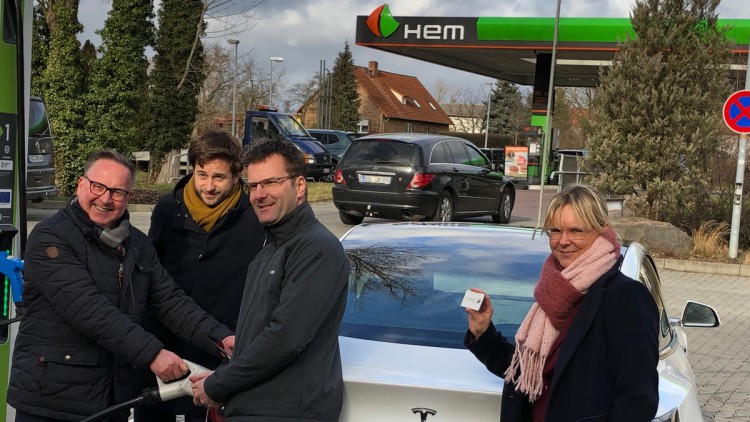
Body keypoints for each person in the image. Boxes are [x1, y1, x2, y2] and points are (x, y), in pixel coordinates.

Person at [8, 150, 235, 422]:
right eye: (98, 186)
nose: (105, 199)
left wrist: (222, 338)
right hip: (51, 401)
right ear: (81, 184)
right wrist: (153, 354)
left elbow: (170, 301)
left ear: (128, 197)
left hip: (111, 400)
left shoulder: (137, 245)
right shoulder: (50, 237)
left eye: (117, 192)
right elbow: (89, 310)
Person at [464, 184, 659, 422]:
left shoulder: (626, 297)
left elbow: (637, 400)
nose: (563, 241)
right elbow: (526, 372)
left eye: (576, 230)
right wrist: (484, 332)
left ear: (603, 230)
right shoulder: (553, 290)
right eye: (555, 230)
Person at [189, 138, 349, 421]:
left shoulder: (315, 248)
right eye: (253, 186)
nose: (259, 194)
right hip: (255, 406)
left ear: (299, 186)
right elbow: (256, 339)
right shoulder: (269, 251)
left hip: (286, 412)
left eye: (271, 183)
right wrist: (224, 377)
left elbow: (285, 338)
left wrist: (219, 384)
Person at [134, 131, 264, 422]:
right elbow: (149, 276)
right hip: (164, 348)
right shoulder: (168, 209)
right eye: (202, 174)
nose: (208, 186)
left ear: (236, 175)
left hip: (218, 350)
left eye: (218, 177)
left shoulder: (254, 218)